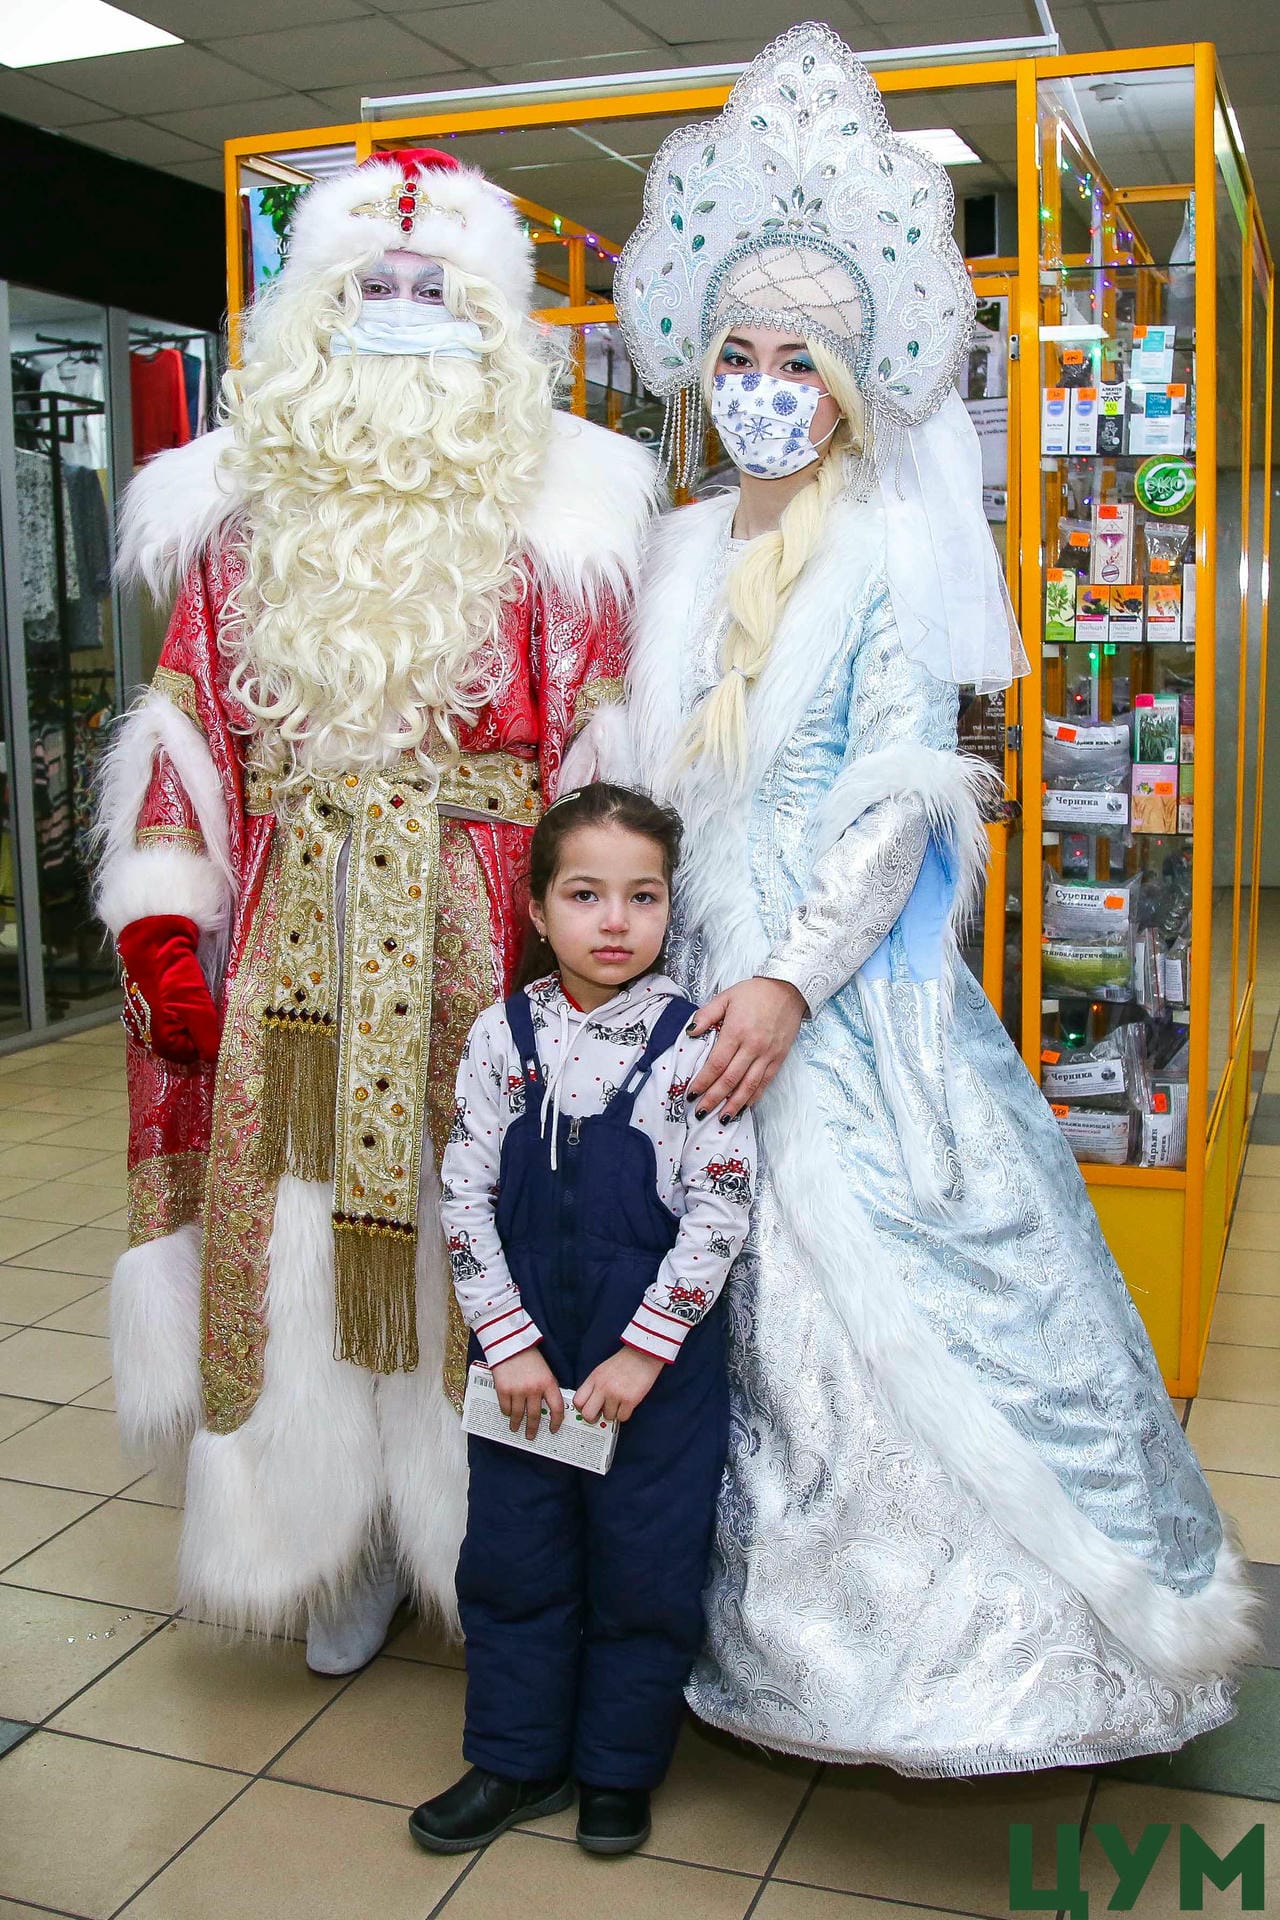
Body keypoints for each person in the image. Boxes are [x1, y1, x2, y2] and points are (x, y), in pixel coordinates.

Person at [585, 23, 1257, 1773]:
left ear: (845, 382)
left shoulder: (890, 544)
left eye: (792, 363)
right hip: (676, 973)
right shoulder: (671, 548)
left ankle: (990, 1662)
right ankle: (727, 1637)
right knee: (708, 1318)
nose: (761, 389)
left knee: (893, 1299)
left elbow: (902, 793)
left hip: (843, 997)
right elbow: (639, 772)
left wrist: (791, 981)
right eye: (736, 357)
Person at [94, 147, 656, 1673]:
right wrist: (162, 917)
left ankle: (480, 1542)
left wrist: (595, 951)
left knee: (486, 1229)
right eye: (373, 286)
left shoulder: (569, 518)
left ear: (494, 328)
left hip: (490, 939)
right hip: (299, 948)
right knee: (294, 1232)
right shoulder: (234, 517)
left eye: (436, 289)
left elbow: (600, 755)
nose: (404, 313)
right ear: (313, 319)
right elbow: (184, 729)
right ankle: (330, 1538)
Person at [409, 783, 754, 1856]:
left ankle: (616, 1770)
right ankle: (514, 1761)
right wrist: (506, 1342)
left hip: (650, 1370)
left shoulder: (695, 1044)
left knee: (644, 1568)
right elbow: (462, 1196)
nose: (615, 921)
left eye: (642, 896)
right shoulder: (498, 1036)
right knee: (513, 1560)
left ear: (670, 908)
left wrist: (644, 1355)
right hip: (524, 1361)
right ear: (536, 907)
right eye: (585, 894)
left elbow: (720, 1212)